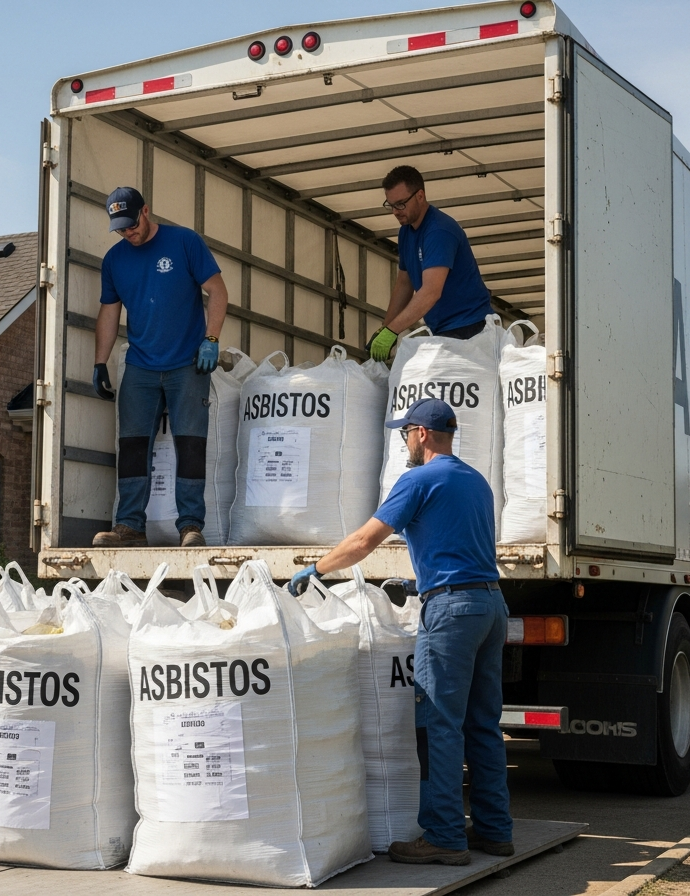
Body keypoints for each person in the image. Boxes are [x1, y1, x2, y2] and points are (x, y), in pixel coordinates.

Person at [287, 398, 511, 865]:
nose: (404, 441)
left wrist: (317, 569)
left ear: (422, 434)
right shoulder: (476, 481)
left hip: (451, 611)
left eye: (405, 432)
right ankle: (494, 831)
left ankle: (445, 836)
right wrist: (418, 580)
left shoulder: (418, 479)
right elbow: (459, 543)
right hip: (490, 604)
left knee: (439, 726)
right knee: (483, 723)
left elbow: (364, 541)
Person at [91, 186, 230, 549]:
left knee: (190, 445)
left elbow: (217, 290)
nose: (128, 232)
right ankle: (129, 525)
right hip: (140, 365)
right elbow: (109, 311)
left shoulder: (184, 242)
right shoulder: (115, 260)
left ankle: (190, 526)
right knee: (133, 446)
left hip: (188, 362)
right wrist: (100, 362)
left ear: (146, 211)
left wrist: (211, 339)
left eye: (132, 224)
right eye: (120, 228)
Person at [367, 165, 492, 362]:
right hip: (444, 329)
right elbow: (404, 283)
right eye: (390, 205)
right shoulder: (406, 232)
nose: (395, 212)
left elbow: (431, 292)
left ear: (420, 196)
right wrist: (384, 330)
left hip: (471, 329)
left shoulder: (439, 231)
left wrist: (392, 331)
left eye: (400, 204)